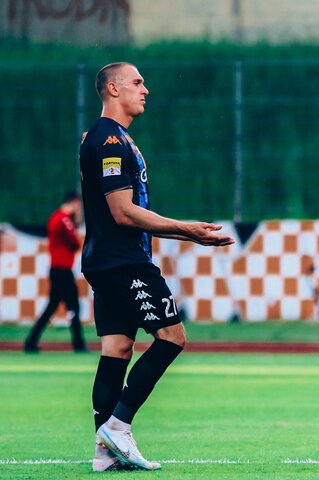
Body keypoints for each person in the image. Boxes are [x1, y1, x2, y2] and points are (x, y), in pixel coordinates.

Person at [81, 62, 234, 472]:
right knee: (172, 338)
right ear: (114, 89)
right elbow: (123, 212)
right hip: (123, 261)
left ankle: (105, 453)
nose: (145, 89)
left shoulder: (108, 137)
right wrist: (187, 230)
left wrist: (186, 234)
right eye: (137, 82)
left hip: (106, 260)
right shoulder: (110, 140)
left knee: (117, 348)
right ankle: (118, 427)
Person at [24, 191, 87, 353]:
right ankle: (78, 344)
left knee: (52, 307)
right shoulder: (63, 219)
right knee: (73, 306)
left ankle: (31, 342)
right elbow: (75, 243)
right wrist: (76, 220)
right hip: (62, 271)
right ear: (74, 203)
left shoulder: (56, 218)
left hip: (58, 269)